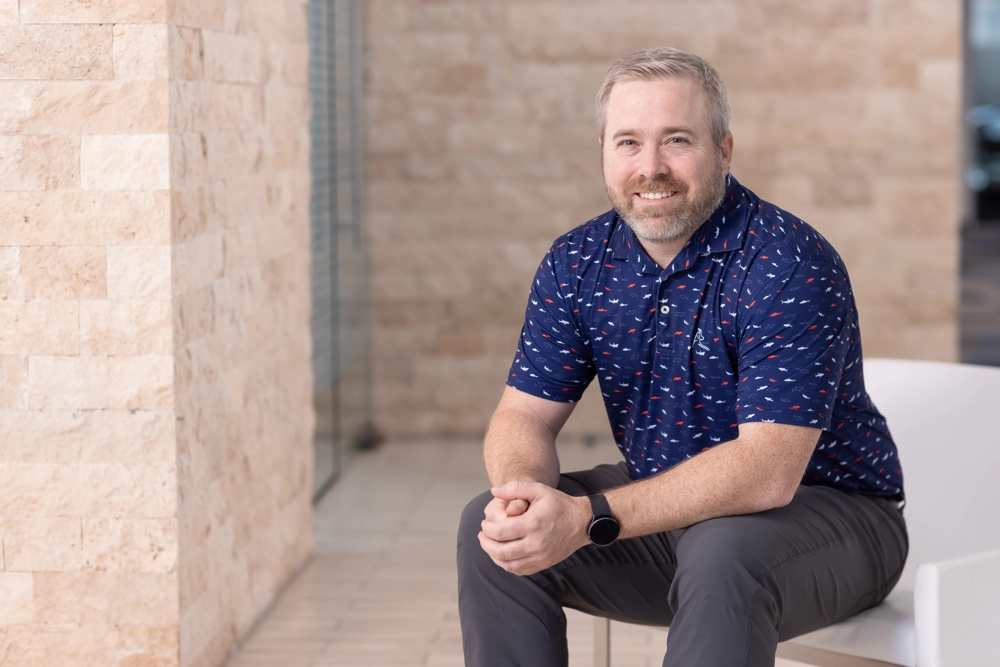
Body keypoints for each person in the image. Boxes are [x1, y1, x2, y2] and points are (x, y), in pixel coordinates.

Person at [456, 47, 908, 667]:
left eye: (676, 140)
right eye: (629, 143)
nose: (651, 167)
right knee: (491, 532)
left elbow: (768, 472)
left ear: (723, 150)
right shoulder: (577, 262)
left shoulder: (788, 263)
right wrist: (525, 501)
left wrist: (586, 517)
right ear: (603, 152)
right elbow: (524, 416)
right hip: (668, 518)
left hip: (836, 522)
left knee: (723, 552)